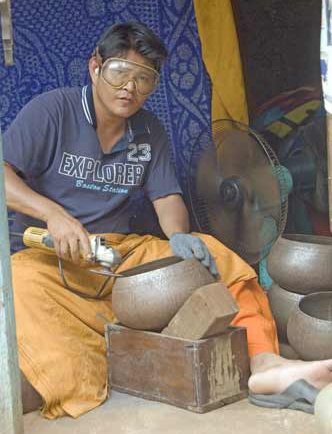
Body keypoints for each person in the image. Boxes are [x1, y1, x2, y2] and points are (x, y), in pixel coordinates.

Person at [3, 22, 332, 419]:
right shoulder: (52, 110)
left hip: (118, 254)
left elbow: (166, 196)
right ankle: (83, 368)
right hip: (49, 256)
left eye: (145, 79)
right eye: (120, 71)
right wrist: (54, 215)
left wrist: (179, 236)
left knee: (214, 254)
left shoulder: (149, 129)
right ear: (95, 66)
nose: (131, 87)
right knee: (16, 283)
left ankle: (265, 366)